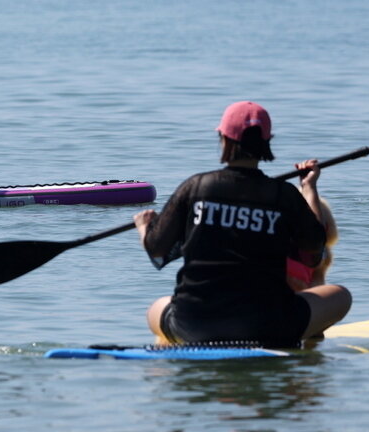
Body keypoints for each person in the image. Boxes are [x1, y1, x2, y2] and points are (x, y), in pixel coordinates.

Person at [132, 101, 349, 347]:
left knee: (155, 308)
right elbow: (314, 253)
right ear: (267, 142)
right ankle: (307, 336)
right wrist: (309, 188)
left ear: (224, 139)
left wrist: (144, 226)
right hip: (268, 328)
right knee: (341, 296)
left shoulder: (195, 187)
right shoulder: (284, 195)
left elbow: (157, 250)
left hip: (193, 325)